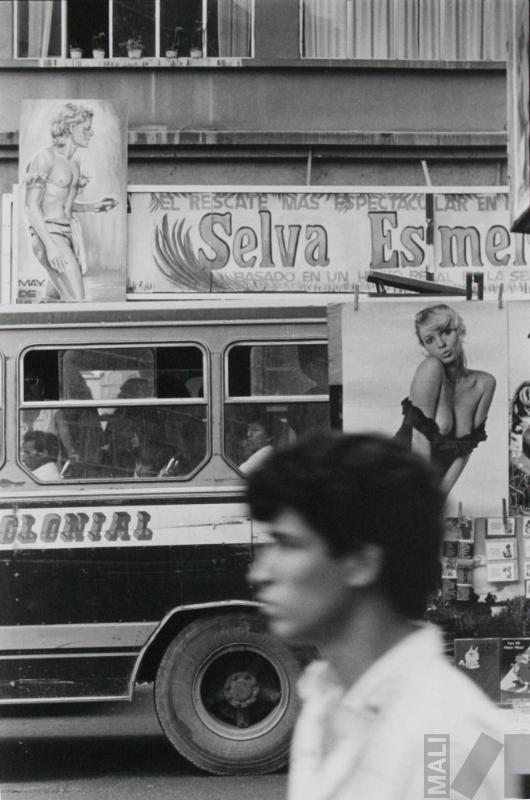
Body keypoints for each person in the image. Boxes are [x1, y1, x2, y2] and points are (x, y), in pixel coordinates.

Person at [247, 432, 512, 800]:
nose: (259, 574)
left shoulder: (455, 736)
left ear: (361, 562)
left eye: (288, 544)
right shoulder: (325, 701)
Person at [395, 304, 495, 495]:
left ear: (460, 331)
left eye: (446, 332)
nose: (440, 344)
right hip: (396, 475)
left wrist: (439, 499)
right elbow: (419, 440)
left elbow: (465, 451)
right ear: (424, 347)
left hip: (426, 490)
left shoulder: (485, 384)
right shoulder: (431, 369)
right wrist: (423, 500)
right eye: (430, 340)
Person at [24, 101, 118, 302]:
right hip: (50, 235)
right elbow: (31, 206)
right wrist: (50, 246)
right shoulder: (44, 158)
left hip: (68, 235)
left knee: (55, 300)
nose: (90, 134)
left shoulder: (74, 163)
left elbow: (60, 204)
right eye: (87, 129)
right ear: (71, 126)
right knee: (77, 302)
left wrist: (94, 206)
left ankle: (41, 332)